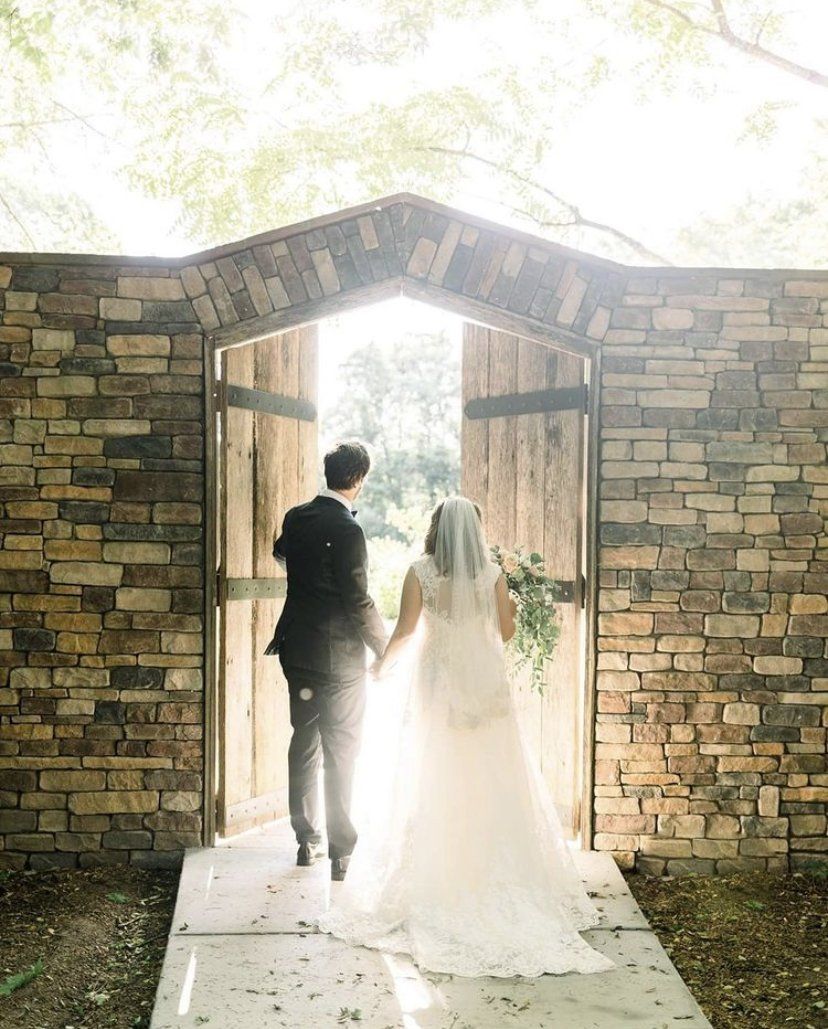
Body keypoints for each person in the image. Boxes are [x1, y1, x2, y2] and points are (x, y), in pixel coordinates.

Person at [316, 496, 614, 978]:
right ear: (474, 531)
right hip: (484, 685)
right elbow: (505, 632)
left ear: (436, 528)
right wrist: (508, 609)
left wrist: (383, 665)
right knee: (489, 775)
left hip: (438, 682)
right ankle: (492, 873)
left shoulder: (421, 572)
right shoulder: (492, 574)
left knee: (434, 773)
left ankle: (441, 872)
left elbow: (406, 631)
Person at [266, 440, 387, 882]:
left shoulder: (297, 516)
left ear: (329, 472)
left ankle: (306, 840)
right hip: (339, 661)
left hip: (298, 648)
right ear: (359, 479)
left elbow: (281, 553)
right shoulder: (349, 530)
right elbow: (358, 600)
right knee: (341, 751)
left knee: (304, 740)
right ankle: (340, 852)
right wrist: (385, 647)